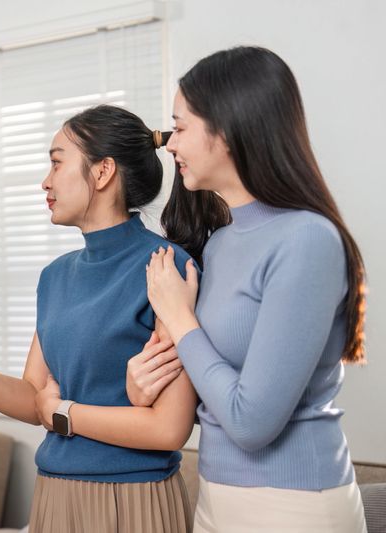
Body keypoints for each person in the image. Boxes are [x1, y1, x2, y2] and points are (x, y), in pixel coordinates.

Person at [0, 105, 198, 533]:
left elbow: (167, 430)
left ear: (103, 171)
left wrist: (63, 412)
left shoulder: (165, 268)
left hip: (133, 498)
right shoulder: (56, 277)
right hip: (53, 495)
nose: (45, 181)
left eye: (56, 162)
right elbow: (35, 400)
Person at [139, 46, 368, 532]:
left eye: (180, 127)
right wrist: (141, 386)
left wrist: (182, 321)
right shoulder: (220, 244)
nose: (170, 144)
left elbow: (250, 423)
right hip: (215, 496)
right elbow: (215, 399)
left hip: (294, 505)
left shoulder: (307, 240)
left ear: (227, 129)